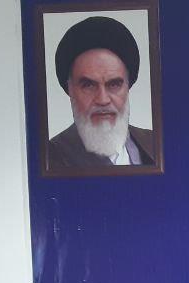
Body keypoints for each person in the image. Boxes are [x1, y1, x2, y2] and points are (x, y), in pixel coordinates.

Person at [47, 16, 157, 169]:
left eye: (114, 84)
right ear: (70, 89)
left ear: (128, 86)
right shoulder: (49, 158)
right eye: (88, 85)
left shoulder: (155, 143)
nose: (103, 99)